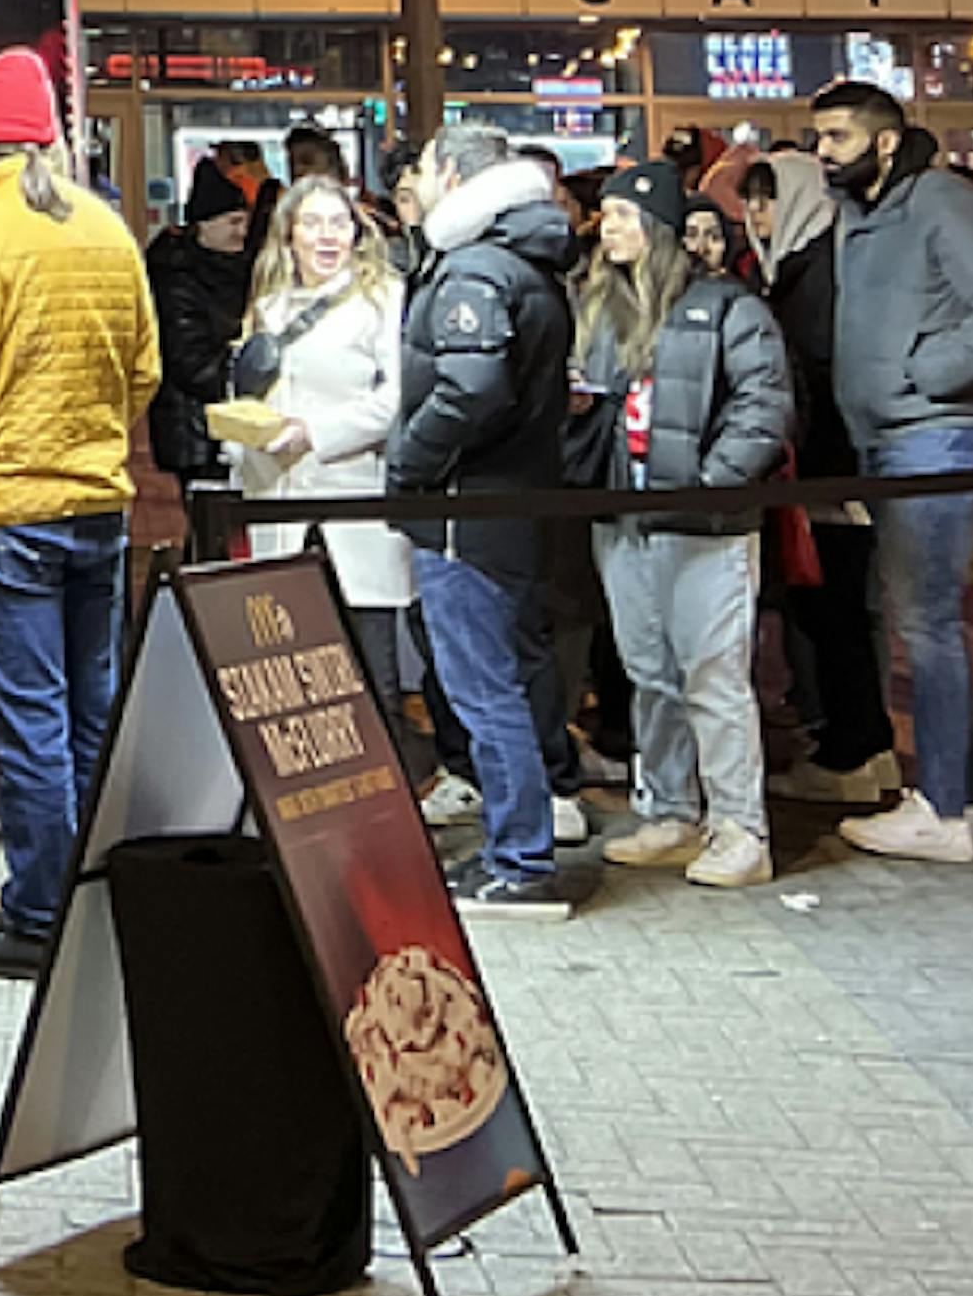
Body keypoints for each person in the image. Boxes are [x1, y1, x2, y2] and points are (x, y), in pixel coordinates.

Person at [0, 47, 160, 984]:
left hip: (7, 510)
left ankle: (38, 914)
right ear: (49, 132)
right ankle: (96, 896)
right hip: (97, 504)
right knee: (94, 710)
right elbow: (145, 369)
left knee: (30, 720)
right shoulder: (103, 227)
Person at [574, 165, 795, 886]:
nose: (607, 227)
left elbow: (764, 402)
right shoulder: (601, 307)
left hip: (706, 526)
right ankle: (669, 808)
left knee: (713, 675)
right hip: (624, 518)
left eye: (621, 214)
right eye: (604, 214)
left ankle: (740, 827)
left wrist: (712, 482)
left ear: (659, 227)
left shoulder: (728, 306)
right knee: (649, 674)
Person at [390, 118, 586, 917]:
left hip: (465, 511)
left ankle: (520, 859)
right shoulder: (529, 263)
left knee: (483, 690)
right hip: (509, 502)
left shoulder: (474, 269)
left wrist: (409, 462)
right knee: (501, 682)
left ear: (451, 173)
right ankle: (520, 847)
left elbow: (472, 388)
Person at [815, 74, 973, 862]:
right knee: (926, 620)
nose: (823, 152)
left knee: (924, 620)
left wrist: (925, 375)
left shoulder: (939, 201)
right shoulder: (863, 213)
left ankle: (942, 804)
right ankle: (966, 799)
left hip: (935, 434)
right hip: (902, 434)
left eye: (838, 137)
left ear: (884, 139)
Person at [226, 174, 420, 746]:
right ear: (289, 235)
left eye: (338, 222)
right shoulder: (269, 307)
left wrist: (319, 433)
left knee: (371, 673)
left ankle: (386, 814)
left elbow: (395, 399)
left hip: (353, 503)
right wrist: (243, 439)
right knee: (290, 676)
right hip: (279, 507)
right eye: (312, 223)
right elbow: (248, 395)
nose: (327, 236)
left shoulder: (384, 299)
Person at [738, 142, 901, 809]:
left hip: (831, 468)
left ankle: (853, 751)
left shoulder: (818, 276)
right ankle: (863, 745)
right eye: (749, 198)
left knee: (836, 613)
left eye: (766, 197)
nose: (755, 212)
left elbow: (818, 374)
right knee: (832, 614)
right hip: (823, 468)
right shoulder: (796, 270)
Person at [145, 158, 260, 491]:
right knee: (213, 526)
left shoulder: (239, 268)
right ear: (203, 225)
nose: (242, 231)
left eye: (245, 221)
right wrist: (248, 378)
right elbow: (189, 360)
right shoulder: (176, 278)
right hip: (198, 431)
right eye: (233, 222)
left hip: (225, 422)